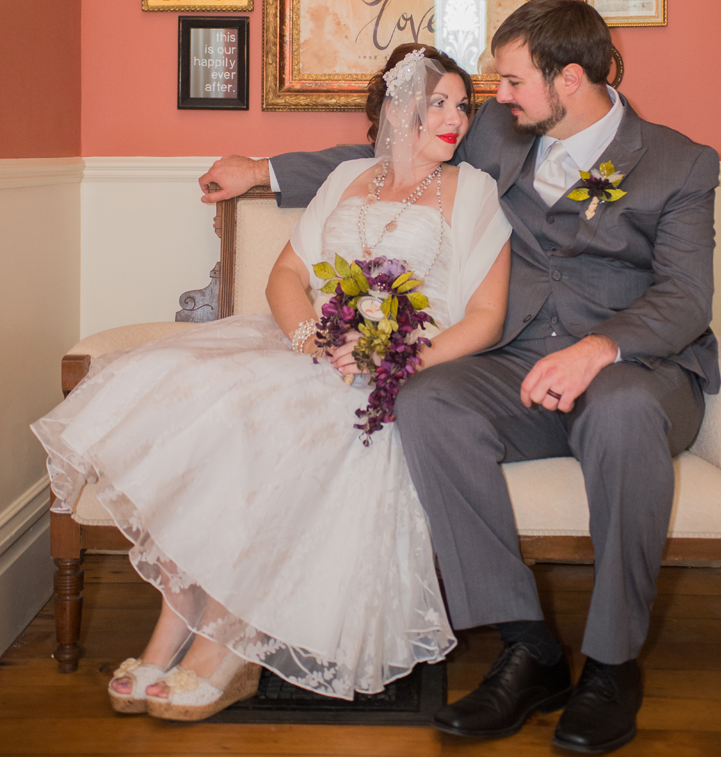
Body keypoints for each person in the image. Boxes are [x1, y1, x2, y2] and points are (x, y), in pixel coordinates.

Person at [200, 0, 719, 754]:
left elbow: (685, 297)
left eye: (511, 82)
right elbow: (388, 154)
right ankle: (529, 647)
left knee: (622, 411)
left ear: (568, 78)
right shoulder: (505, 137)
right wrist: (261, 171)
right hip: (514, 365)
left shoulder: (680, 162)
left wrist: (595, 351)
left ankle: (612, 666)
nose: (496, 99)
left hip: (633, 370)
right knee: (426, 397)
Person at [33, 46, 512, 722]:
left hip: (401, 372)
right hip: (304, 348)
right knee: (192, 390)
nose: (456, 119)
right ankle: (170, 630)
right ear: (397, 109)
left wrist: (398, 357)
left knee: (271, 425)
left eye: (463, 106)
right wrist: (307, 338)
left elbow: (486, 318)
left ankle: (227, 644)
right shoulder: (349, 174)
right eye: (439, 103)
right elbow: (286, 278)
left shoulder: (476, 191)